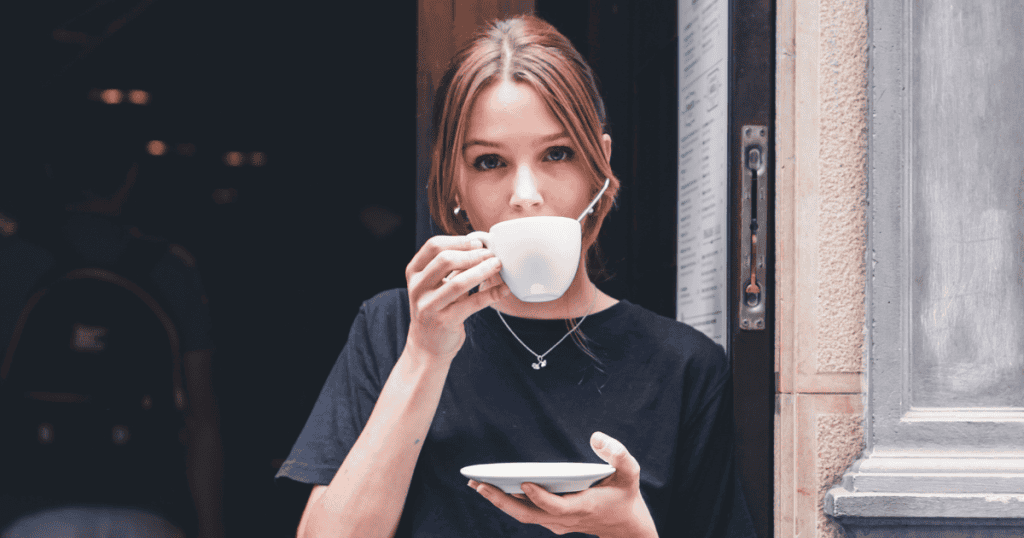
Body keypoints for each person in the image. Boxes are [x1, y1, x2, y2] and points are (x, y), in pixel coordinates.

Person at [275, 14, 756, 538]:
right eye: (489, 162)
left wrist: (631, 530)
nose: (525, 194)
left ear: (599, 164)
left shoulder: (685, 367)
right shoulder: (394, 329)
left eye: (557, 153)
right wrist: (426, 354)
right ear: (453, 181)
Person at [0, 130, 225, 538]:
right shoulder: (170, 268)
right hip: (148, 507)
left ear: (51, 172)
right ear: (131, 177)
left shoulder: (16, 262)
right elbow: (201, 416)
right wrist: (210, 528)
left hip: (33, 506)